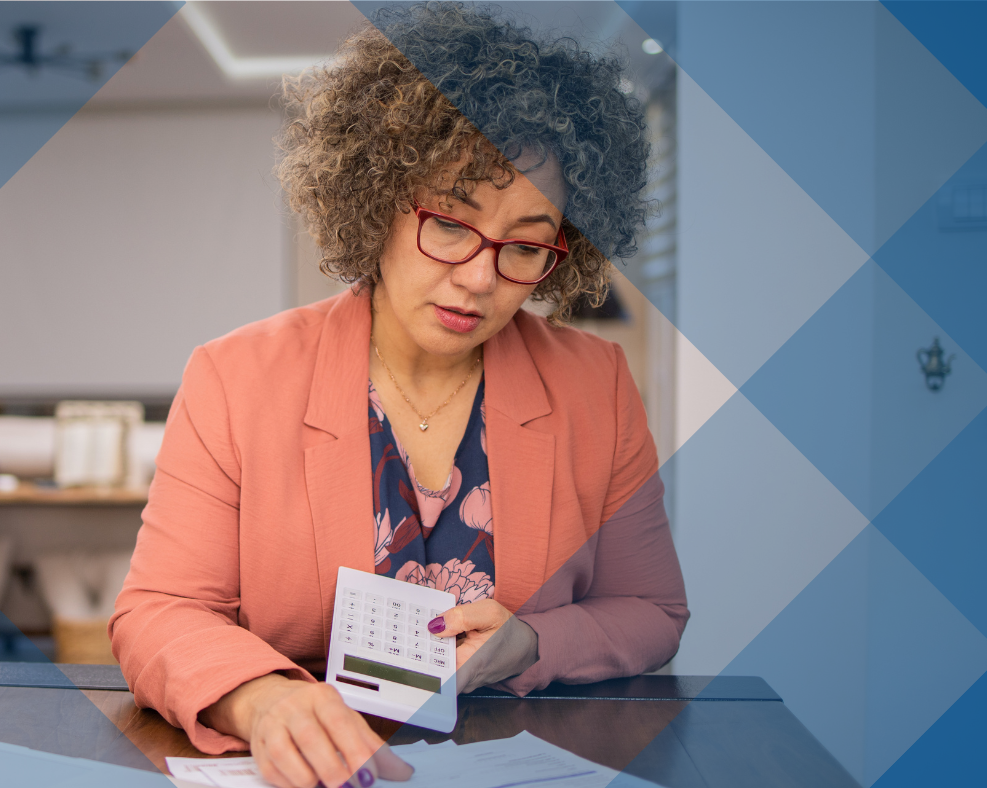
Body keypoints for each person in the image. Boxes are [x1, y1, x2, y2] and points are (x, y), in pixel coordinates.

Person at [109, 4, 688, 787]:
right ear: (376, 200)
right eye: (450, 223)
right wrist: (262, 700)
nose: (481, 278)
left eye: (525, 245)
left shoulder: (597, 385)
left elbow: (652, 612)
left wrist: (537, 643)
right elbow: (157, 612)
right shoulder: (235, 377)